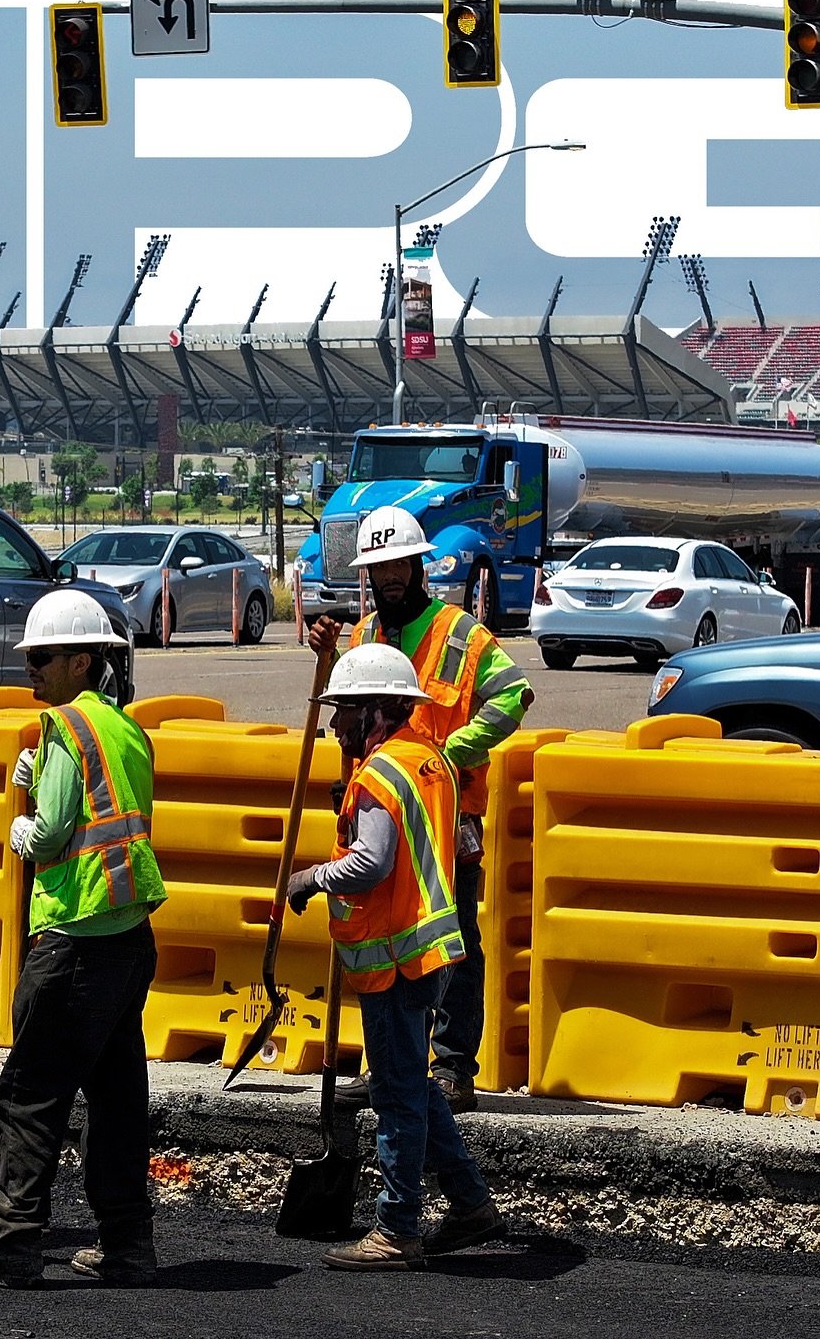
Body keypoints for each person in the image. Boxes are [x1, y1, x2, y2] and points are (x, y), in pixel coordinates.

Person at [0, 589, 167, 1289]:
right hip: (128, 938)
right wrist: (42, 775)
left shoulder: (66, 728)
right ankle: (127, 1245)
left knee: (31, 1093)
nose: (30, 671)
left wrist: (22, 823)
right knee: (115, 1097)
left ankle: (11, 1242)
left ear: (82, 659)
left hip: (73, 942)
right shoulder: (124, 727)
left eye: (42, 659)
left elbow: (49, 834)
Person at [286, 643, 505, 1270]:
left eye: (346, 712)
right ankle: (469, 1205)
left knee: (398, 1095)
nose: (335, 725)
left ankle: (397, 1227)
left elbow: (371, 863)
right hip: (429, 948)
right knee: (411, 1082)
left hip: (399, 959)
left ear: (377, 711)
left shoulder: (381, 775)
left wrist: (309, 880)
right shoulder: (428, 760)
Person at [308, 504, 531, 1114]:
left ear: (419, 563)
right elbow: (346, 715)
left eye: (399, 564)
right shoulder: (363, 637)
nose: (390, 577)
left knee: (451, 935)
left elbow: (515, 695)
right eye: (379, 568)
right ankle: (390, 1064)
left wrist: (452, 753)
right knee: (382, 934)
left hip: (447, 816)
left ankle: (454, 1066)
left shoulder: (461, 634)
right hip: (380, 813)